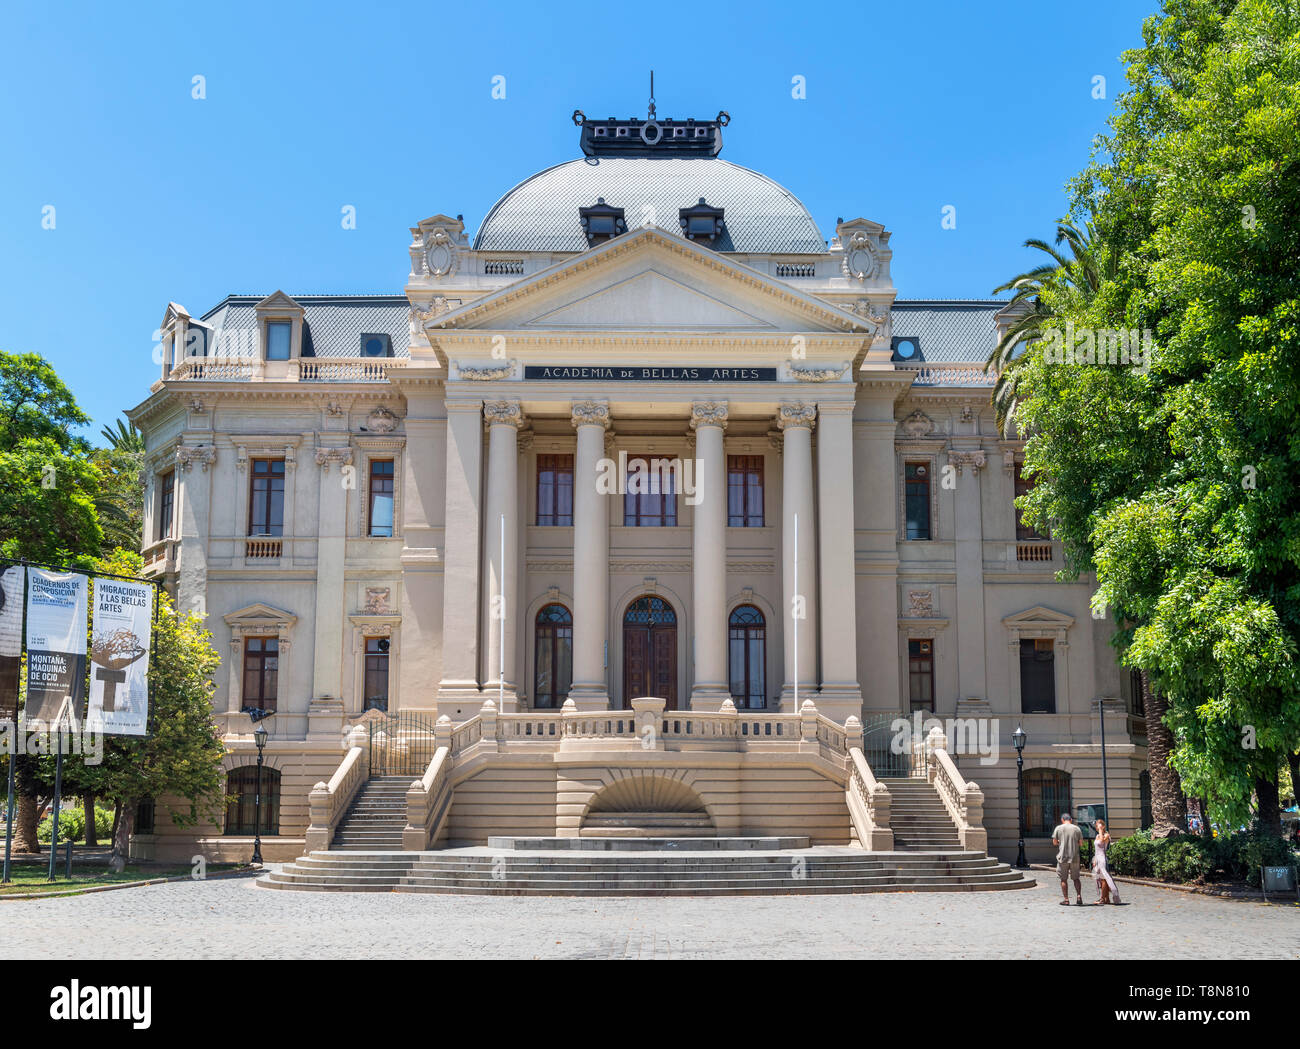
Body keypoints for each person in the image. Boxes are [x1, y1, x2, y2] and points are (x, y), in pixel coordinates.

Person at [1052, 811, 1083, 905]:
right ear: (1071, 820)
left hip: (1063, 857)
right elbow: (1081, 843)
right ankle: (1079, 896)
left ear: (1062, 820)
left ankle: (1066, 900)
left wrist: (1059, 841)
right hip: (1074, 857)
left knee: (1063, 879)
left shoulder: (1058, 828)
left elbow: (1054, 843)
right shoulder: (1077, 829)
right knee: (1076, 878)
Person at [1092, 817, 1121, 905]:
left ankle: (1102, 898)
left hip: (1103, 859)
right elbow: (1096, 849)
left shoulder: (1106, 835)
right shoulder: (1097, 835)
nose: (1097, 828)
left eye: (1099, 826)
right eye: (1097, 826)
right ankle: (1106, 898)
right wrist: (1094, 859)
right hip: (1097, 859)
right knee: (1100, 879)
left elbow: (1101, 841)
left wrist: (1101, 830)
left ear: (1103, 826)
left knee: (1104, 879)